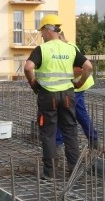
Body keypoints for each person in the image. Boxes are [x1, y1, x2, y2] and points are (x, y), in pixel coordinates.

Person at [25, 14, 94, 179]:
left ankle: (50, 172)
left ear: (49, 30)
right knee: (70, 132)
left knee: (48, 133)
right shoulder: (69, 48)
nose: (41, 35)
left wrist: (33, 83)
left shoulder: (42, 49)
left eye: (42, 31)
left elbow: (28, 68)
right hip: (68, 95)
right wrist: (78, 83)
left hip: (48, 96)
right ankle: (74, 170)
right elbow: (88, 67)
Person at [55, 30, 99, 151]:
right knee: (80, 113)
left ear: (59, 36)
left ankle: (58, 143)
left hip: (78, 85)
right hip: (78, 85)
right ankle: (94, 140)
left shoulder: (68, 47)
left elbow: (80, 69)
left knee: (61, 111)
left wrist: (71, 79)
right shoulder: (67, 47)